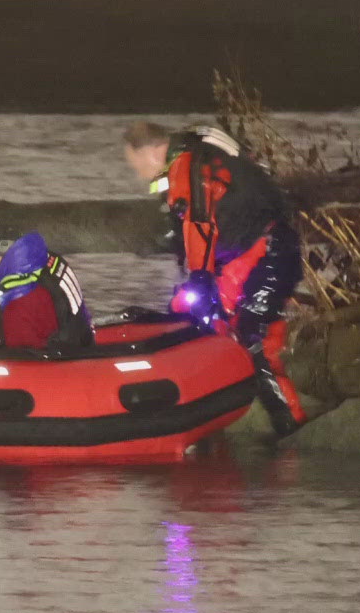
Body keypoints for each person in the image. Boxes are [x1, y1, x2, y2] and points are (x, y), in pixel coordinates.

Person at [123, 121, 306, 435]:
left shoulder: (187, 167)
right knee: (187, 312)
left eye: (136, 164)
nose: (137, 174)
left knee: (253, 336)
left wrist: (200, 277)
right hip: (249, 252)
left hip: (269, 252)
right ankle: (202, 406)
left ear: (154, 151)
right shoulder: (199, 153)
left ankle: (291, 427)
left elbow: (199, 225)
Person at [0, 232, 94, 351]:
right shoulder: (46, 271)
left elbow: (22, 361)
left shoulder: (17, 304)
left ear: (6, 261)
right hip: (78, 340)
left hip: (53, 366)